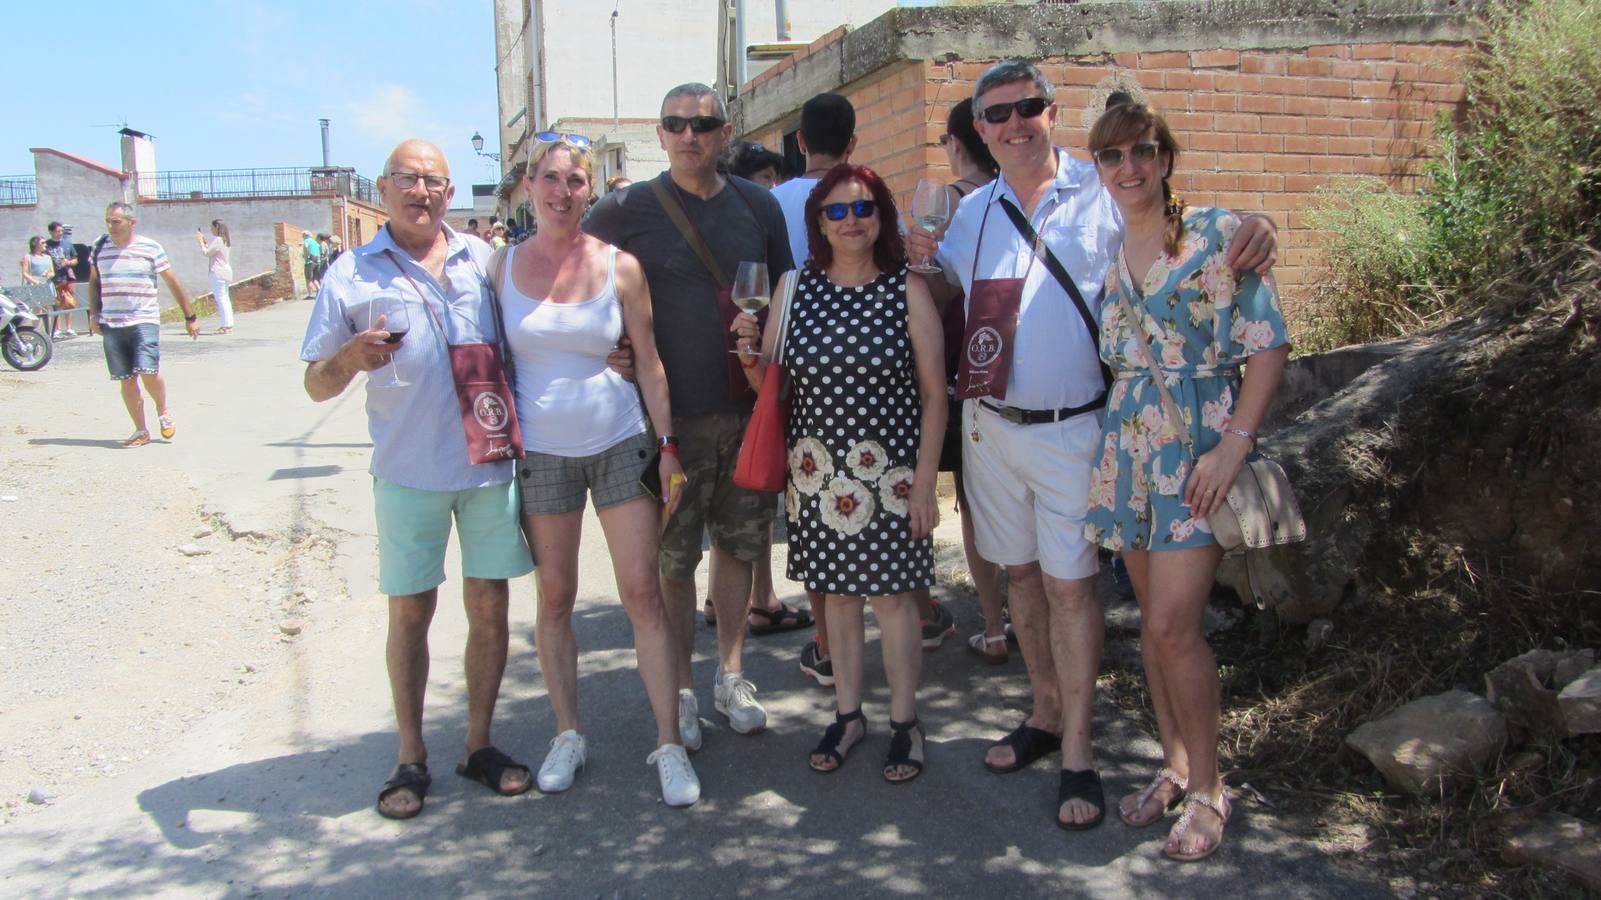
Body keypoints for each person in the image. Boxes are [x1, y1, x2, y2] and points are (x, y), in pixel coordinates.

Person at [906, 61, 1278, 831]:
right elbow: (940, 288)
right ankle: (1045, 714)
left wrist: (1262, 225)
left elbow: (1187, 236)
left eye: (1027, 108)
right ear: (978, 129)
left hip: (1084, 428)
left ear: (1051, 113)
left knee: (1076, 588)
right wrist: (909, 259)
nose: (1013, 124)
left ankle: (1081, 749)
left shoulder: (1103, 193)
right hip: (993, 428)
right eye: (996, 113)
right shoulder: (972, 213)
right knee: (1020, 580)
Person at [299, 139, 536, 820]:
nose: (421, 191)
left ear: (450, 188)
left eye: (433, 180)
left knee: (489, 605)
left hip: (487, 464)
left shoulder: (484, 260)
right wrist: (347, 357)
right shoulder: (350, 272)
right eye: (408, 178)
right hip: (407, 471)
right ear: (383, 188)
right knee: (410, 612)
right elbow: (315, 385)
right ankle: (410, 756)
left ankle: (479, 744)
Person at [1084, 101, 1289, 860]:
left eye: (1141, 152)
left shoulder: (1212, 234)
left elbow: (1267, 346)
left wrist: (1232, 447)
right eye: (1111, 157)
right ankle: (1171, 765)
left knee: (1175, 627)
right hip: (1126, 453)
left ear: (1165, 159)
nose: (1127, 168)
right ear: (1097, 169)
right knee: (1148, 625)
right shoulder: (1108, 248)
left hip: (1196, 449)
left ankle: (1208, 788)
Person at [584, 82, 794, 748]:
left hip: (744, 409)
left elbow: (785, 292)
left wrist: (770, 352)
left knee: (737, 546)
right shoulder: (626, 208)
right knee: (673, 560)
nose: (688, 135)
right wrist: (604, 347)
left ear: (723, 131)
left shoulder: (757, 205)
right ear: (660, 132)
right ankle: (675, 685)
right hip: (665, 422)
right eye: (675, 123)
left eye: (701, 124)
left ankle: (730, 673)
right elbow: (574, 279)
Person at [500, 135, 700, 807]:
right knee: (554, 598)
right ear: (528, 186)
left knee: (641, 591)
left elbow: (647, 358)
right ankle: (567, 734)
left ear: (592, 189)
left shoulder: (620, 267)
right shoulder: (498, 267)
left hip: (620, 439)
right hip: (541, 453)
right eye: (549, 178)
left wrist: (667, 444)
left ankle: (668, 742)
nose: (561, 191)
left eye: (574, 181)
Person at [734, 164, 945, 781]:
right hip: (817, 475)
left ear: (882, 218)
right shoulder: (794, 288)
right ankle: (849, 715)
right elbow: (768, 386)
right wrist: (748, 350)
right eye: (838, 210)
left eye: (865, 209)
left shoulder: (907, 288)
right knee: (840, 601)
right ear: (818, 222)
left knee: (895, 600)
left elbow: (935, 395)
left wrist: (927, 481)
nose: (852, 220)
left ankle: (905, 722)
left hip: (892, 476)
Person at [936, 99, 1007, 664]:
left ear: (959, 143)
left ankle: (994, 622)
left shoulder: (948, 207)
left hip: (965, 376)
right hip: (1021, 375)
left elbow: (927, 289)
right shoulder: (1020, 197)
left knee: (974, 502)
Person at [86, 203, 201, 446]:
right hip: (113, 323)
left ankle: (163, 410)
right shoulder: (99, 247)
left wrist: (189, 316)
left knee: (148, 372)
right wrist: (94, 314)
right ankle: (141, 430)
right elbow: (94, 283)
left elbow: (172, 282)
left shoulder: (150, 248)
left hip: (144, 319)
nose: (110, 226)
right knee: (126, 378)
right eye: (108, 220)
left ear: (131, 222)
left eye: (116, 221)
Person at [195, 220, 234, 334]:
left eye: (212, 227)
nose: (211, 230)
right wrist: (205, 243)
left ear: (217, 227)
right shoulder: (225, 240)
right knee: (225, 298)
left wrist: (200, 242)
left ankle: (226, 326)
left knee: (221, 298)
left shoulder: (218, 239)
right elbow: (212, 251)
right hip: (225, 271)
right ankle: (228, 324)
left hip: (218, 271)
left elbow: (207, 253)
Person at [44, 222, 78, 338]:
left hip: (68, 276)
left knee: (68, 301)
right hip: (54, 278)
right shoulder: (46, 245)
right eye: (58, 231)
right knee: (57, 303)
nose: (60, 233)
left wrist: (68, 262)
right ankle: (56, 329)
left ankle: (69, 328)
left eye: (61, 231)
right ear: (51, 232)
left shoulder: (67, 243)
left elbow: (75, 260)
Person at [20, 237, 54, 322]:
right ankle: (36, 330)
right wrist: (35, 282)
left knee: (48, 308)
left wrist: (49, 275)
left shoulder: (48, 257)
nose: (45, 245)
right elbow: (24, 273)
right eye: (42, 243)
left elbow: (52, 272)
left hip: (46, 284)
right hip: (34, 285)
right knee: (37, 308)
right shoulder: (28, 257)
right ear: (35, 244)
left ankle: (47, 332)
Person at [302, 230, 322, 296]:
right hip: (317, 261)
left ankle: (310, 295)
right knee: (315, 279)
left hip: (310, 262)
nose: (302, 237)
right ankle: (320, 291)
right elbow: (319, 249)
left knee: (308, 279)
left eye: (303, 236)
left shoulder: (306, 241)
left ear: (305, 235)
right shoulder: (315, 242)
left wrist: (306, 255)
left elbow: (306, 246)